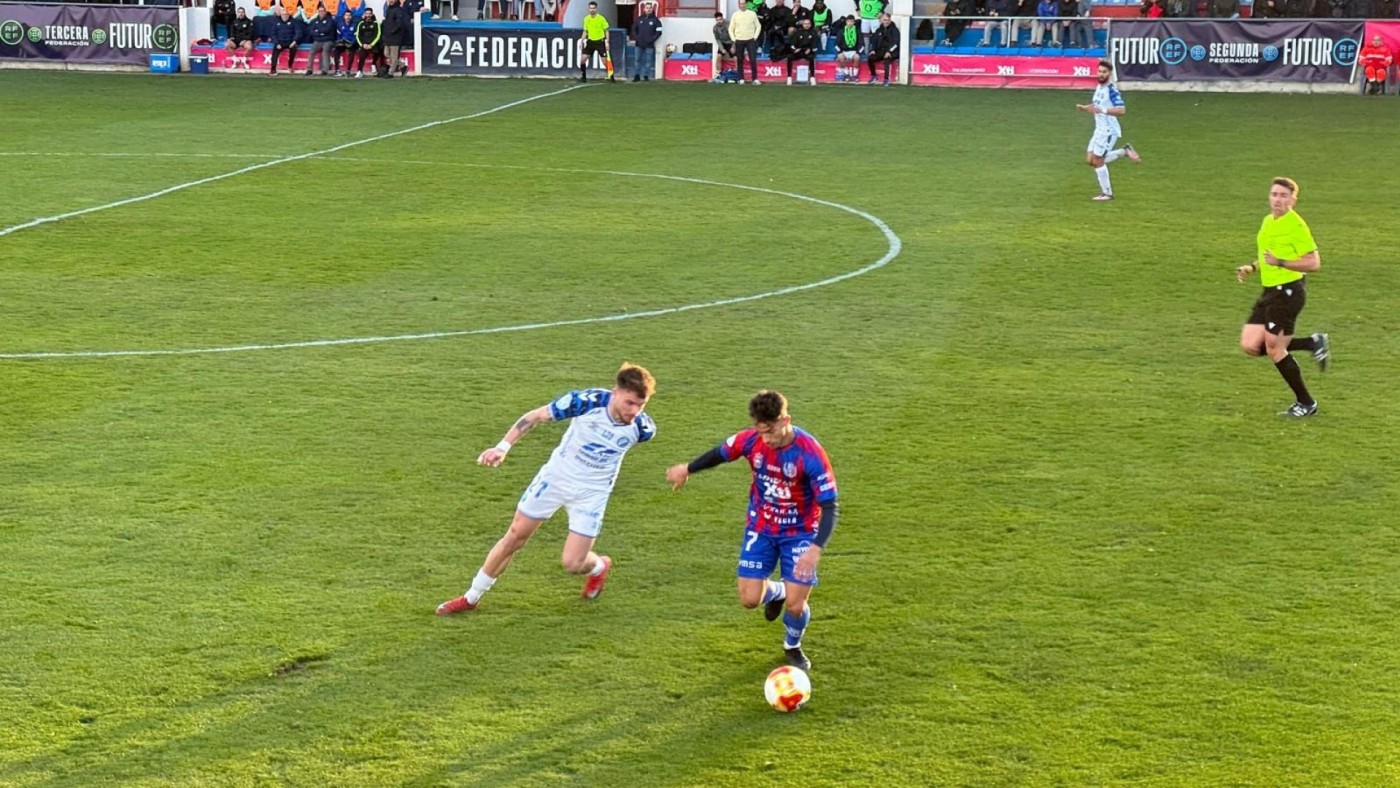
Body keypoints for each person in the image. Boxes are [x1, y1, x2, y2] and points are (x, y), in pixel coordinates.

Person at [436, 364, 658, 615]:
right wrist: (502, 447)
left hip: (591, 494)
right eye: (630, 403)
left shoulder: (643, 429)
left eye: (641, 405)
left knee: (573, 563)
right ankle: (471, 598)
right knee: (514, 536)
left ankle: (599, 566)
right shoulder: (584, 402)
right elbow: (534, 417)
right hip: (555, 479)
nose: (635, 411)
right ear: (615, 392)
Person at [665, 390, 839, 673]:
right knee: (749, 599)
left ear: (786, 419)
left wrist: (815, 548)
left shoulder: (810, 454)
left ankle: (792, 646)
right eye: (761, 432)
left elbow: (830, 506)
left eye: (771, 431)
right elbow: (720, 453)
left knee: (796, 606)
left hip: (800, 533)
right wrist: (688, 468)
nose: (767, 439)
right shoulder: (751, 441)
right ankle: (779, 592)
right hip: (761, 526)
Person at [1234, 178, 1329, 418]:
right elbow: (1268, 255)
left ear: (1292, 200)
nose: (1277, 199)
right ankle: (1311, 343)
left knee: (1275, 348)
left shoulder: (1296, 226)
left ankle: (1306, 403)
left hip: (1288, 291)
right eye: (1274, 194)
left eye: (1283, 196)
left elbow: (1314, 263)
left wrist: (1281, 263)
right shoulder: (1268, 221)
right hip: (1270, 290)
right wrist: (1253, 267)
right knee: (1250, 345)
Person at [1074, 60, 1140, 201]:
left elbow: (1122, 110)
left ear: (1109, 74)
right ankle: (1124, 151)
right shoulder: (1099, 87)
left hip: (1108, 131)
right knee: (1090, 160)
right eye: (1099, 71)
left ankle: (1107, 193)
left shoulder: (1112, 90)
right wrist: (1085, 108)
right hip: (1099, 129)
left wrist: (1102, 110)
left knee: (1098, 161)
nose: (1101, 74)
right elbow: (1097, 105)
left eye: (1104, 72)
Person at [579, 1, 616, 82]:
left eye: (593, 8)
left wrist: (607, 41)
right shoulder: (586, 19)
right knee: (583, 59)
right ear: (588, 9)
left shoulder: (601, 18)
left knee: (604, 61)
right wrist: (581, 41)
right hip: (590, 41)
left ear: (596, 9)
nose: (592, 10)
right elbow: (585, 31)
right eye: (591, 8)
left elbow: (606, 30)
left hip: (600, 41)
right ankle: (583, 76)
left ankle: (611, 76)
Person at [730, 0, 762, 84]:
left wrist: (754, 37)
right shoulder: (735, 14)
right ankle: (741, 79)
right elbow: (730, 28)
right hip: (739, 40)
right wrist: (734, 39)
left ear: (746, 4)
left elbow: (758, 26)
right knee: (740, 60)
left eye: (744, 3)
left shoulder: (752, 14)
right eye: (741, 4)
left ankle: (754, 79)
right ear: (739, 5)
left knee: (753, 59)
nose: (742, 5)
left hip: (750, 40)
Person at [630, 1, 663, 81]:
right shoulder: (639, 19)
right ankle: (637, 75)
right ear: (644, 9)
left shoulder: (656, 21)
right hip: (639, 44)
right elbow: (634, 30)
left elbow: (659, 32)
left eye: (650, 8)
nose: (648, 9)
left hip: (649, 45)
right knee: (637, 60)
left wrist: (651, 40)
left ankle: (646, 76)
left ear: (652, 9)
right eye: (647, 8)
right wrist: (637, 38)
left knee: (648, 61)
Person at [866, 12, 898, 85]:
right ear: (882, 20)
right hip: (881, 51)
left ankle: (886, 80)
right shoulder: (879, 30)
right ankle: (874, 76)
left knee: (886, 60)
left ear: (890, 20)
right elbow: (874, 41)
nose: (886, 22)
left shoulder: (894, 30)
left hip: (892, 52)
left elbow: (896, 43)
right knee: (870, 58)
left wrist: (890, 51)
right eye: (884, 20)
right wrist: (873, 50)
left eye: (887, 20)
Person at [305, 6, 338, 75]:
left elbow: (327, 30)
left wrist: (317, 31)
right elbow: (310, 31)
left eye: (323, 11)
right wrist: (320, 33)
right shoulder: (314, 21)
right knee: (311, 52)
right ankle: (309, 69)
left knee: (325, 51)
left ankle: (325, 70)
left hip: (328, 40)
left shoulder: (330, 20)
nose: (321, 12)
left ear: (325, 12)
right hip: (318, 40)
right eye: (319, 11)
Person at [382, 0, 410, 76]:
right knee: (386, 53)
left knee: (394, 56)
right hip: (387, 36)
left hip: (395, 37)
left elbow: (400, 23)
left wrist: (393, 31)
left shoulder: (399, 10)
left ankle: (390, 73)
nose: (391, 1)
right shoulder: (388, 9)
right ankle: (403, 66)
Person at [353, 7, 383, 78]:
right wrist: (362, 45)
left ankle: (373, 65)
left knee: (378, 51)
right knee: (362, 55)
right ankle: (359, 71)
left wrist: (371, 44)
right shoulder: (360, 23)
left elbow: (378, 35)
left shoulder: (376, 23)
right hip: (364, 44)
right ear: (364, 14)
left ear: (372, 14)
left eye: (370, 13)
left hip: (373, 44)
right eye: (367, 13)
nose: (368, 15)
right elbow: (358, 35)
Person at [269, 8, 299, 76]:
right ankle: (273, 69)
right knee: (275, 52)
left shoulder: (294, 21)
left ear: (289, 15)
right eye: (283, 15)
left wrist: (294, 41)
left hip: (290, 42)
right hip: (280, 42)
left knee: (294, 49)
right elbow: (273, 34)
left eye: (286, 15)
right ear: (281, 15)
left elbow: (298, 32)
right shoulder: (276, 22)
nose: (284, 16)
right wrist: (276, 43)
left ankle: (290, 65)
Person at [834, 15, 861, 81]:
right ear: (846, 22)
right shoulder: (841, 31)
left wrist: (858, 52)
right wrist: (840, 51)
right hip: (844, 51)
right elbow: (836, 44)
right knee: (840, 56)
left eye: (852, 21)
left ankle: (854, 75)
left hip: (854, 51)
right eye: (848, 21)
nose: (850, 23)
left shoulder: (857, 31)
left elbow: (861, 44)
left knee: (857, 57)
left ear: (854, 22)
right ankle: (847, 74)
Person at [712, 11, 736, 82]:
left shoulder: (729, 24)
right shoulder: (715, 28)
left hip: (731, 42)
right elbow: (717, 39)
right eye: (717, 20)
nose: (719, 21)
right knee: (719, 56)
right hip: (723, 44)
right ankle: (718, 74)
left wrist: (733, 47)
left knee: (736, 58)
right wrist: (722, 49)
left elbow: (735, 35)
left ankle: (736, 74)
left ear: (722, 18)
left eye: (720, 19)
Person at [334, 8, 358, 75]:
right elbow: (338, 36)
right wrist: (339, 42)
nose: (348, 17)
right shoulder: (340, 24)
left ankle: (348, 70)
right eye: (346, 15)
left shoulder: (355, 25)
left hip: (351, 43)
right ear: (344, 16)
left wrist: (352, 43)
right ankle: (337, 70)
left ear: (351, 16)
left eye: (349, 15)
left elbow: (356, 36)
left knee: (352, 52)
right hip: (343, 43)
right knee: (336, 51)